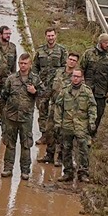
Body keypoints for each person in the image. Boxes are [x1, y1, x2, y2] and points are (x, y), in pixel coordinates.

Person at [0, 55, 39, 179]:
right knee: (10, 144)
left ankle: (25, 171)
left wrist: (35, 92)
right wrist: (1, 115)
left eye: (25, 63)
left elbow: (44, 94)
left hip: (26, 118)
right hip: (11, 117)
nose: (23, 66)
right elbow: (3, 97)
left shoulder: (35, 79)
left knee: (26, 145)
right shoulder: (11, 79)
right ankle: (8, 168)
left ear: (30, 64)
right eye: (21, 63)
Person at [55, 67, 98, 183]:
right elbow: (58, 107)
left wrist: (92, 121)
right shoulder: (65, 91)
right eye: (74, 76)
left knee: (83, 149)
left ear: (82, 78)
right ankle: (68, 172)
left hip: (81, 126)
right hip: (67, 125)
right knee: (66, 149)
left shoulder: (87, 92)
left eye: (78, 76)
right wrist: (58, 123)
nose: (75, 78)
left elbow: (92, 107)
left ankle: (83, 173)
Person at [31, 28, 67, 161]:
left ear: (55, 36)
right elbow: (35, 67)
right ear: (45, 37)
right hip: (43, 85)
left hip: (56, 87)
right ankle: (44, 135)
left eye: (52, 35)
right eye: (48, 36)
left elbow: (65, 67)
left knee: (55, 111)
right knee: (42, 109)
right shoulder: (40, 50)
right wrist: (35, 81)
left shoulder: (62, 50)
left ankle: (54, 137)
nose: (50, 38)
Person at [82, 33, 108, 132]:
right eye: (105, 42)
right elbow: (82, 69)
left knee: (98, 113)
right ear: (100, 42)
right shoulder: (89, 53)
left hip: (101, 91)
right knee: (84, 111)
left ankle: (93, 133)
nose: (107, 45)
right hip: (87, 89)